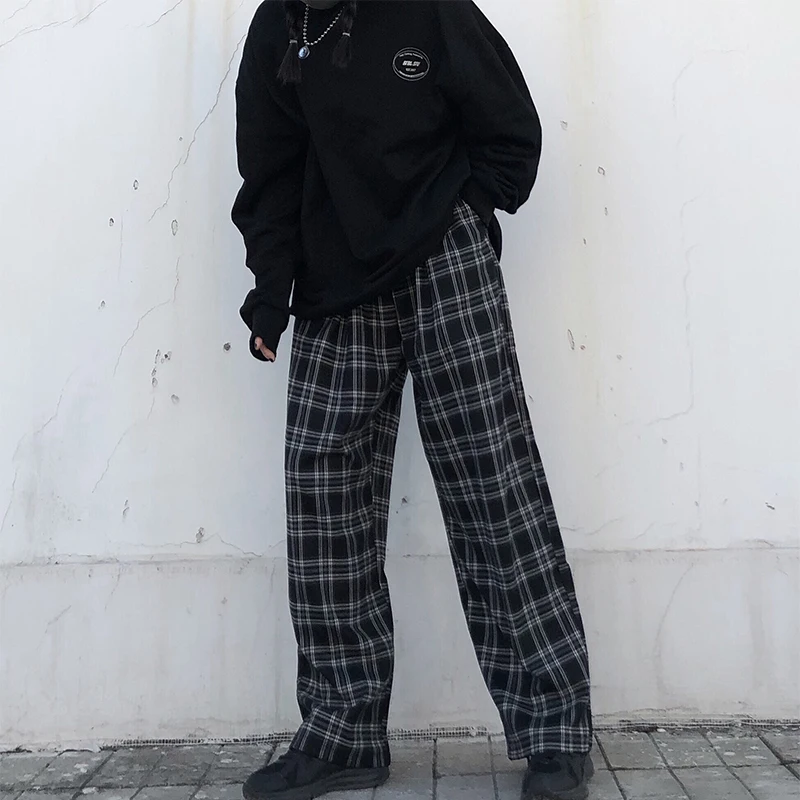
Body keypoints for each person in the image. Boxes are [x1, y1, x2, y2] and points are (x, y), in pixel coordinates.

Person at [231, 1, 593, 798]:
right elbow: (270, 171)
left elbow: (510, 127)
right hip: (335, 278)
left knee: (494, 488)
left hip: (443, 262)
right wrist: (270, 295)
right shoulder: (279, 26)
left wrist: (466, 214)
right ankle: (342, 735)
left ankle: (555, 733)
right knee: (324, 500)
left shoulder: (429, 10)